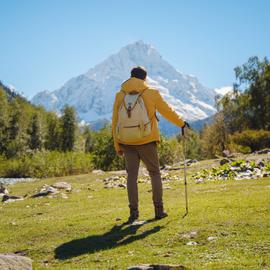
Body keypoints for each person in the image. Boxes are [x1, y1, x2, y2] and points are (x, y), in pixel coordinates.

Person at [112, 66, 188, 223]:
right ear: (144, 79)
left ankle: (133, 213)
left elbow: (115, 122)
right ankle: (159, 211)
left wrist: (117, 145)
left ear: (130, 77)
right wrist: (181, 123)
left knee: (131, 177)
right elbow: (167, 111)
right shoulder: (151, 93)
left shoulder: (120, 95)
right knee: (154, 173)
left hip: (126, 141)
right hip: (147, 140)